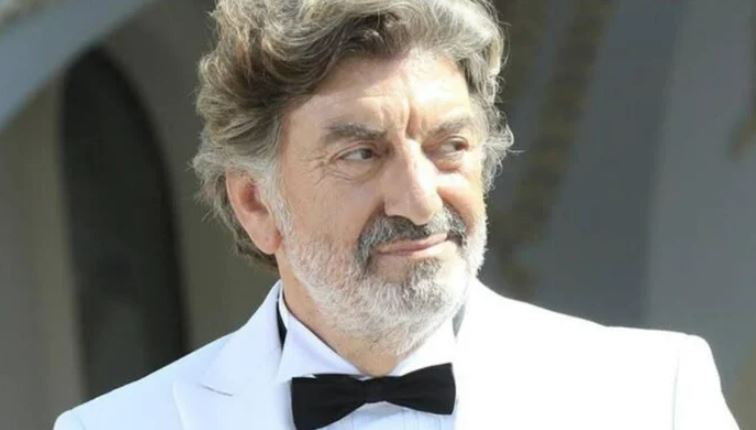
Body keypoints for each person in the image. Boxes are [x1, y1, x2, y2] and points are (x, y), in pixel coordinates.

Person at [54, 0, 740, 429]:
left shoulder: (653, 394)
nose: (419, 200)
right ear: (257, 202)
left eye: (449, 147)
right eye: (361, 154)